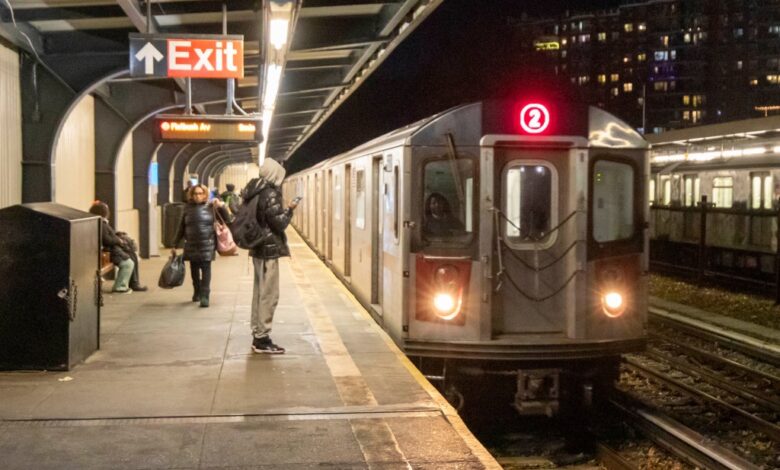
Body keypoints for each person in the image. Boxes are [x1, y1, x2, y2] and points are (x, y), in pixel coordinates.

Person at [243, 158, 298, 354]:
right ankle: (262, 338)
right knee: (269, 295)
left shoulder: (253, 191)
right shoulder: (270, 194)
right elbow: (279, 223)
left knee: (259, 293)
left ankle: (257, 332)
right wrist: (290, 210)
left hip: (258, 248)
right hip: (268, 249)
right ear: (275, 174)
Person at [172, 184, 231, 307]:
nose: (198, 196)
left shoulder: (211, 207)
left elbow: (227, 219)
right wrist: (174, 243)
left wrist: (220, 205)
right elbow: (181, 227)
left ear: (205, 194)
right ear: (191, 195)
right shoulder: (187, 208)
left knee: (206, 270)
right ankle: (197, 291)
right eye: (195, 193)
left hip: (207, 244)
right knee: (194, 270)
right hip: (191, 244)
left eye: (200, 193)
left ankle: (205, 295)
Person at [89, 201, 136, 293]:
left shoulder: (101, 223)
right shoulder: (102, 224)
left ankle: (129, 284)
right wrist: (119, 240)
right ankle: (120, 287)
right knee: (128, 264)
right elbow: (107, 240)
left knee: (130, 258)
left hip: (110, 250)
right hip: (110, 251)